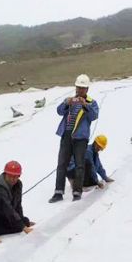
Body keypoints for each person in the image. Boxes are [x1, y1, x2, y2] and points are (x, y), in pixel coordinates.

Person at [49, 74, 99, 203]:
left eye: (82, 88)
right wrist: (66, 103)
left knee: (79, 165)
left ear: (87, 89)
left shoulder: (92, 103)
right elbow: (59, 111)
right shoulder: (70, 100)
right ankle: (58, 192)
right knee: (61, 164)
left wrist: (85, 105)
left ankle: (77, 192)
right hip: (66, 135)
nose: (79, 90)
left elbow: (94, 116)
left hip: (80, 138)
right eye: (78, 87)